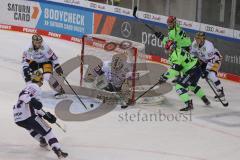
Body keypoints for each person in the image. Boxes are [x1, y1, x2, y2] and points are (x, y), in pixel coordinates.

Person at [13, 70, 68, 159]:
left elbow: (35, 106)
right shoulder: (34, 86)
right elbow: (23, 96)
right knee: (48, 132)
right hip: (28, 115)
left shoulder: (30, 87)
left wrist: (46, 115)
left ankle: (42, 141)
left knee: (31, 128)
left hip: (18, 117)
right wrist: (32, 101)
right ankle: (57, 149)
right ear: (41, 80)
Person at [159, 40, 210, 111]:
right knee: (192, 86)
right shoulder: (179, 49)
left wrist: (165, 76)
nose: (168, 51)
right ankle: (205, 99)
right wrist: (166, 76)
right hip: (197, 69)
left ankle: (189, 104)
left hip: (192, 71)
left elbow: (174, 70)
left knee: (179, 87)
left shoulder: (175, 55)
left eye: (168, 49)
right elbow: (178, 69)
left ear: (172, 48)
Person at [22, 34, 65, 98]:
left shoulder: (45, 47)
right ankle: (31, 91)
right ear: (33, 42)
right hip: (36, 62)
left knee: (47, 76)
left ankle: (59, 90)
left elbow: (53, 58)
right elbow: (25, 60)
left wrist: (57, 66)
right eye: (37, 43)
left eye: (40, 42)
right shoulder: (28, 48)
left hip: (46, 62)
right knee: (24, 72)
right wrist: (25, 69)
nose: (39, 44)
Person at [191, 32, 226, 101]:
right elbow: (192, 53)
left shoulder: (209, 46)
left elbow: (211, 60)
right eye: (196, 38)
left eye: (198, 38)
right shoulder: (194, 43)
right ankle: (192, 86)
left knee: (211, 75)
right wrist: (195, 59)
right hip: (204, 60)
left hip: (215, 60)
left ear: (203, 39)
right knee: (194, 70)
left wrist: (206, 71)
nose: (196, 40)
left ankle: (221, 93)